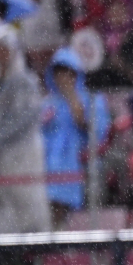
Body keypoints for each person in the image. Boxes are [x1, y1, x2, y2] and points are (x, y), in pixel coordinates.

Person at [0, 26, 51, 234]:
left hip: (21, 158)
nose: (1, 55)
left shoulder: (27, 84)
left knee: (27, 204)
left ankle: (33, 256)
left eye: (5, 49)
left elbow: (24, 120)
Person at [42, 47, 110, 230]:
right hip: (46, 169)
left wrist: (74, 102)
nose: (63, 78)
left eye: (68, 73)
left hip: (81, 167)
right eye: (59, 73)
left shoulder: (93, 100)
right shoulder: (47, 103)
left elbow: (97, 133)